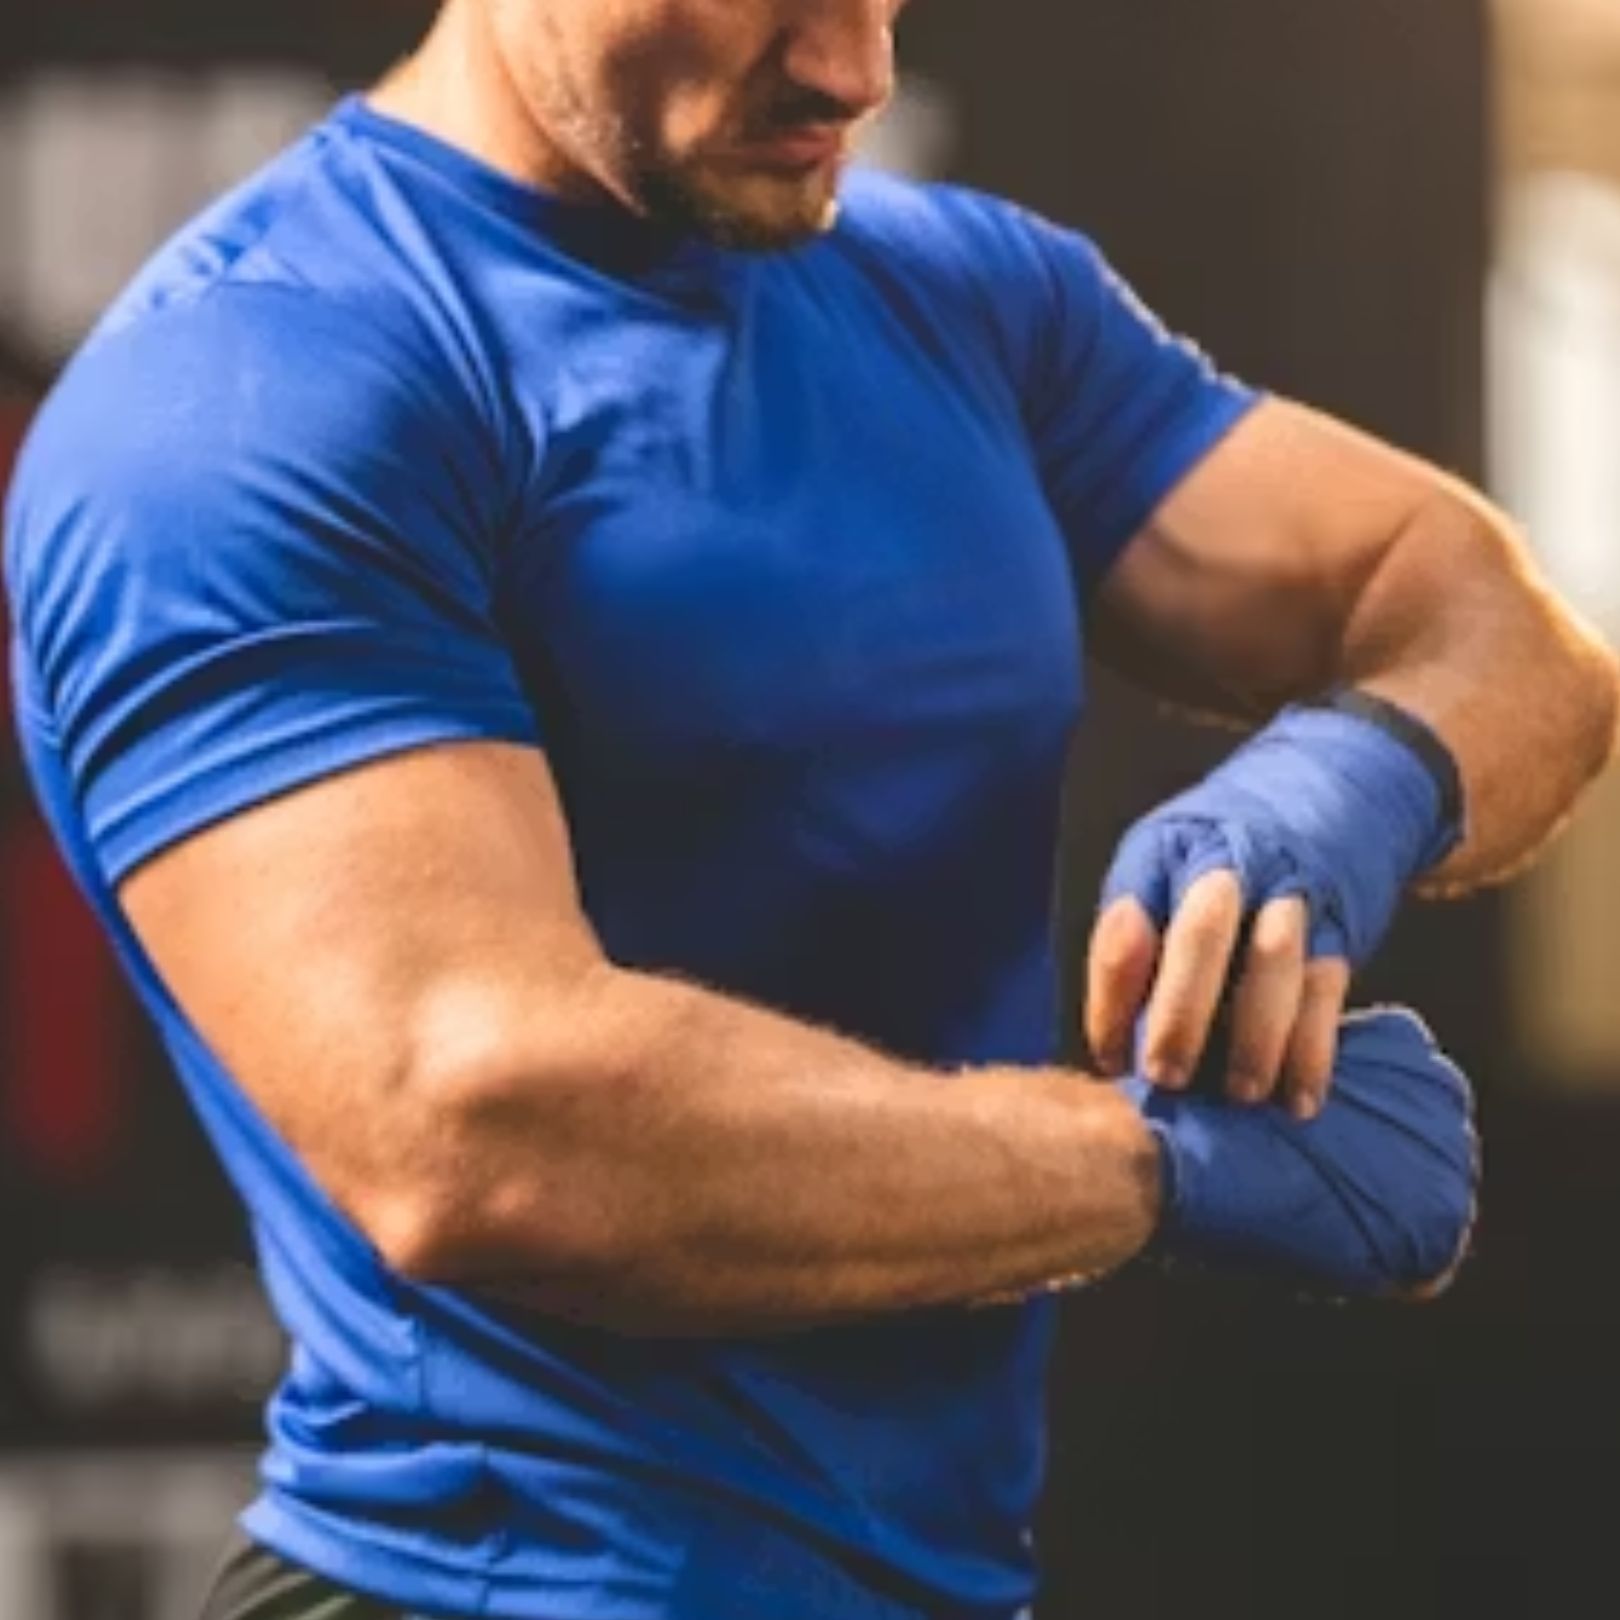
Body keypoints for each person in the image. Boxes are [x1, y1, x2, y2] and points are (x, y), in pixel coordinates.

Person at [3, 1, 1614, 1616]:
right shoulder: (254, 386)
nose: (855, 68)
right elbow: (472, 1126)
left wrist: (1355, 780)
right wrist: (1148, 1161)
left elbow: (1497, 626)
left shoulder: (966, 294)